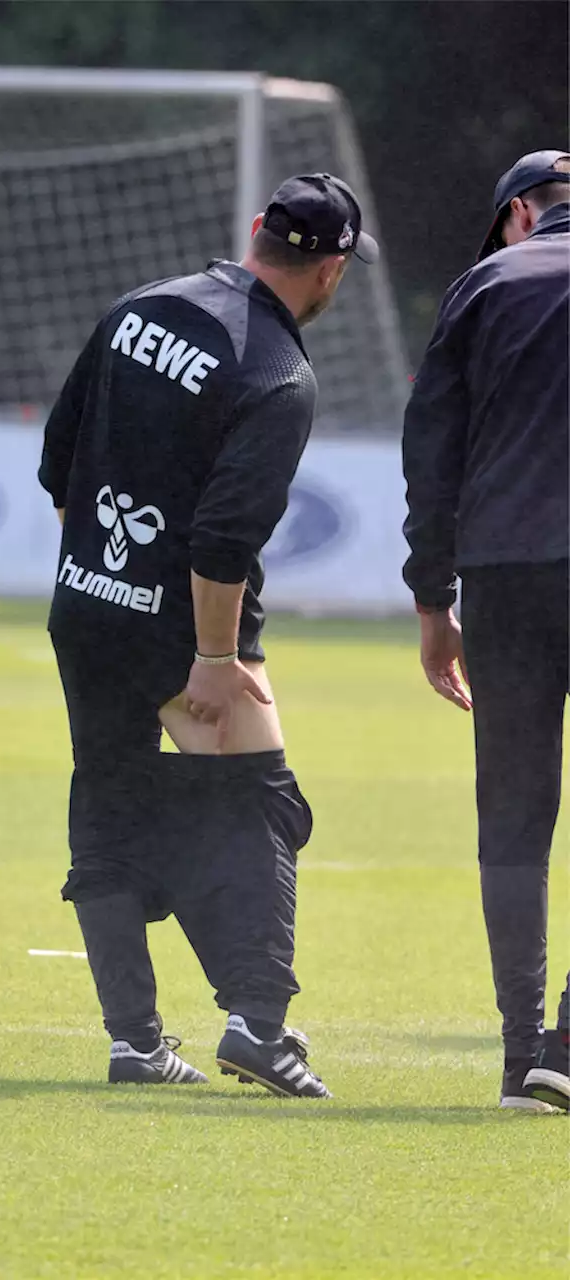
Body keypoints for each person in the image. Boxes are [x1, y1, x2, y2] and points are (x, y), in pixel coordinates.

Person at [39, 173, 379, 1099]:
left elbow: (56, 463)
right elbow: (225, 538)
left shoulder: (138, 305)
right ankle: (260, 1028)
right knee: (263, 802)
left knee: (106, 808)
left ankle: (135, 1044)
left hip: (83, 606)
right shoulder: (276, 371)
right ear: (332, 267)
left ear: (259, 230)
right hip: (183, 625)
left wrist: (103, 574)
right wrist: (216, 660)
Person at [402, 150, 569, 1114]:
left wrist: (433, 602)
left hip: (505, 574)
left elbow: (432, 450)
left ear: (518, 216)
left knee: (514, 815)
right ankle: (568, 1045)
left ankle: (519, 1057)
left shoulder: (487, 282)